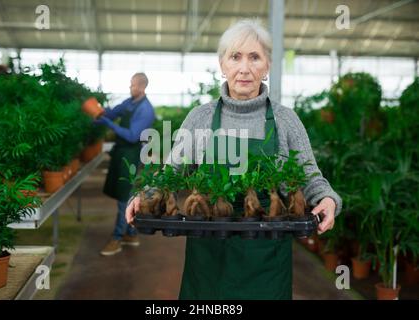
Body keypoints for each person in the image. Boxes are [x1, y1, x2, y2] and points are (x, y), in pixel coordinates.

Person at [126, 19, 342, 299]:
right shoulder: (200, 118)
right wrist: (145, 197)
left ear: (267, 67)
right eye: (235, 56)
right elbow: (172, 172)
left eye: (254, 57)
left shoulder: (285, 120)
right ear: (222, 64)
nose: (244, 67)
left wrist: (327, 198)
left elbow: (309, 175)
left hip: (266, 248)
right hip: (210, 251)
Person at [96, 72, 155, 256]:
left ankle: (117, 238)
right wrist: (101, 113)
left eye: (133, 85)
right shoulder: (130, 102)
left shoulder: (146, 109)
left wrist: (109, 124)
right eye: (130, 85)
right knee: (124, 193)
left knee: (124, 196)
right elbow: (115, 112)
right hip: (121, 152)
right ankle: (131, 234)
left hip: (132, 154)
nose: (130, 88)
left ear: (142, 87)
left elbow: (131, 135)